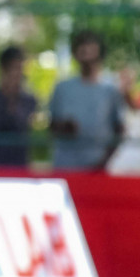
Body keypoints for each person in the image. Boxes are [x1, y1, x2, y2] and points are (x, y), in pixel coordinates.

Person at [48, 30, 127, 171]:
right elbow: (51, 126)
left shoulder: (111, 90)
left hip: (98, 167)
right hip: (65, 166)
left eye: (91, 49)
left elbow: (119, 130)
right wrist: (63, 127)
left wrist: (104, 162)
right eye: (82, 48)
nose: (87, 56)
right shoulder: (62, 88)